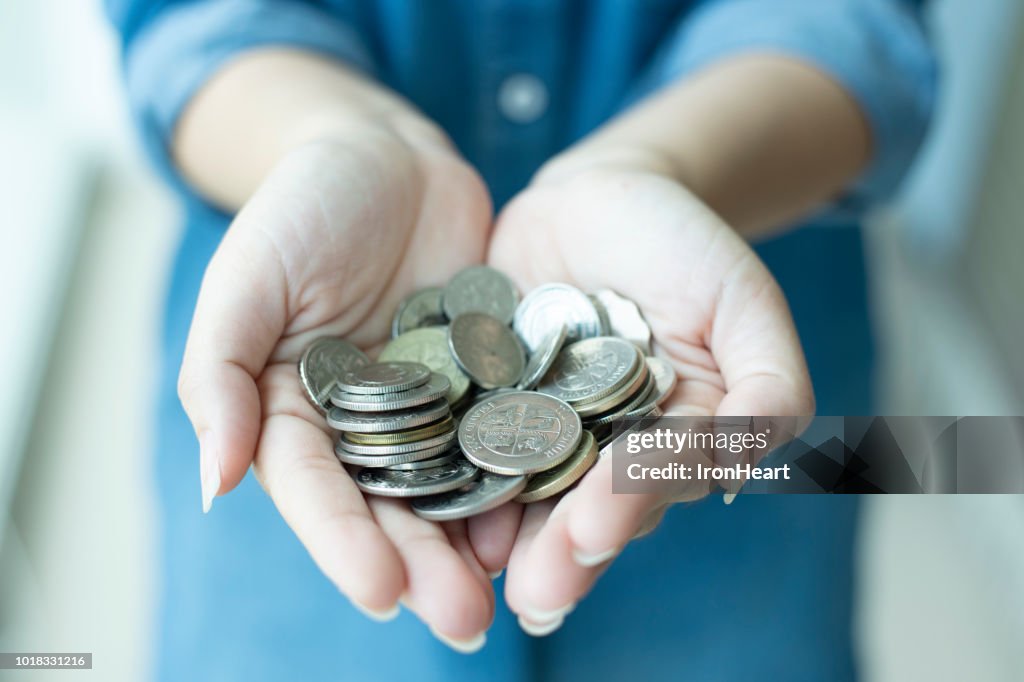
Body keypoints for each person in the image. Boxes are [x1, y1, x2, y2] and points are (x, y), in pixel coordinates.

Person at [104, 0, 936, 679]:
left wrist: (662, 162)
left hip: (713, 344)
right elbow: (183, 21)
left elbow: (860, 24)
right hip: (310, 332)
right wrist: (328, 137)